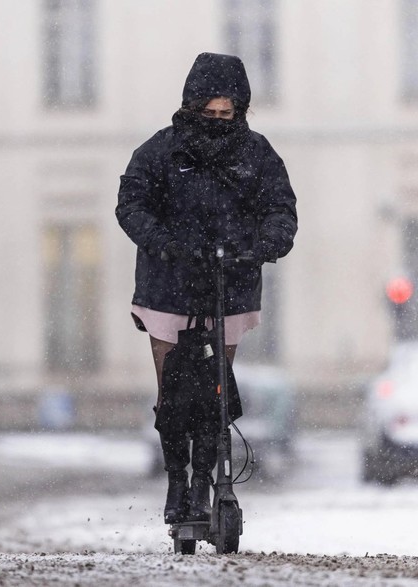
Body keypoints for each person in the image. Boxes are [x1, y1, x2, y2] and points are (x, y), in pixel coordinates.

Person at [116, 52, 297, 524]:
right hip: (167, 287)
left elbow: (280, 208)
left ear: (240, 111)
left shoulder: (256, 154)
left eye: (227, 114)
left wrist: (263, 245)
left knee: (216, 395)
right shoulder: (160, 152)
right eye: (208, 114)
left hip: (229, 286)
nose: (217, 122)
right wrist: (165, 244)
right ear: (192, 108)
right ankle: (177, 481)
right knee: (172, 394)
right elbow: (132, 204)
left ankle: (203, 481)